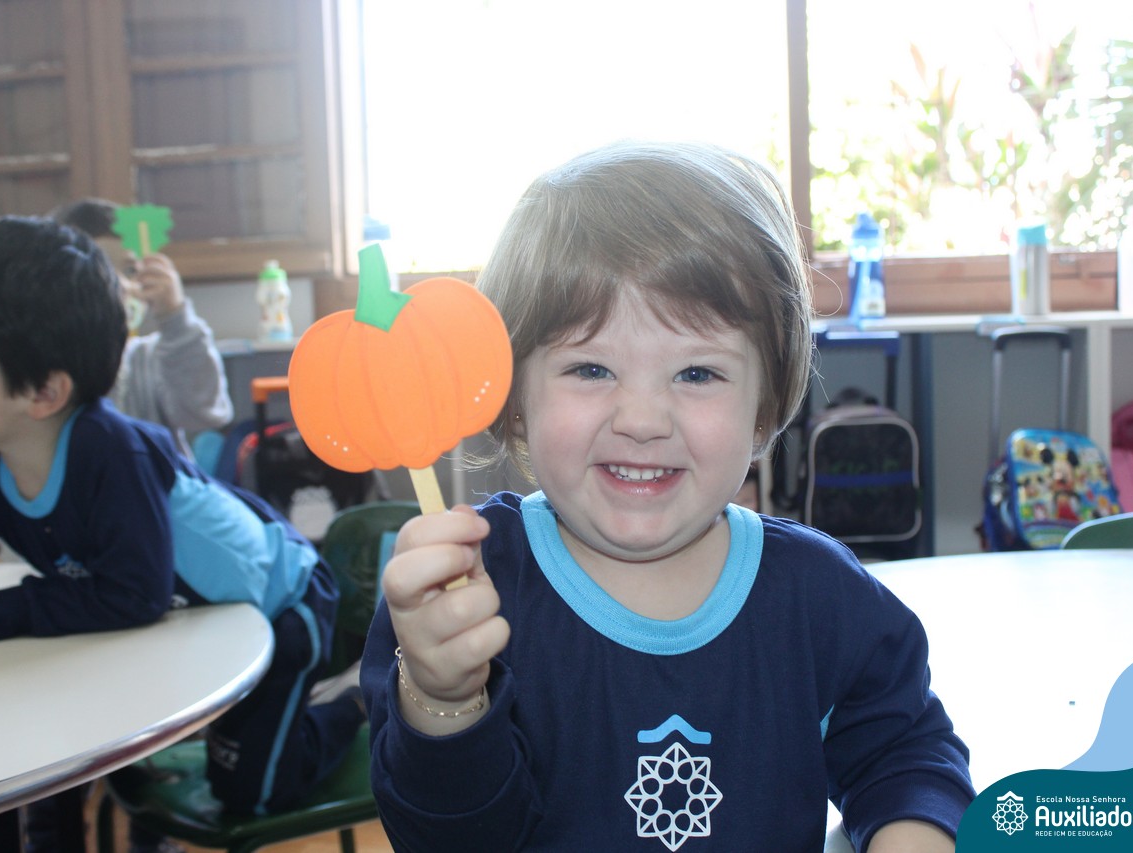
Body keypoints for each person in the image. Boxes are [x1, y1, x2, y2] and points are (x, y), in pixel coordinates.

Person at [360, 142, 974, 851]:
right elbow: (447, 838)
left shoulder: (820, 597)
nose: (643, 419)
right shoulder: (468, 589)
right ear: (515, 399)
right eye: (591, 368)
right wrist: (443, 699)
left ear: (764, 408)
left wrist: (912, 830)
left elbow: (904, 753)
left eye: (697, 373)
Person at [0, 217, 362, 851]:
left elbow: (132, 593)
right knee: (56, 737)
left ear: (43, 391)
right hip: (184, 622)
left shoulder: (112, 453)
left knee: (252, 793)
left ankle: (354, 702)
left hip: (284, 602)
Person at [49, 198, 233, 459]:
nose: (123, 285)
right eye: (100, 269)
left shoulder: (152, 357)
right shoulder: (49, 370)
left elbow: (205, 414)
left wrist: (174, 317)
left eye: (130, 270)